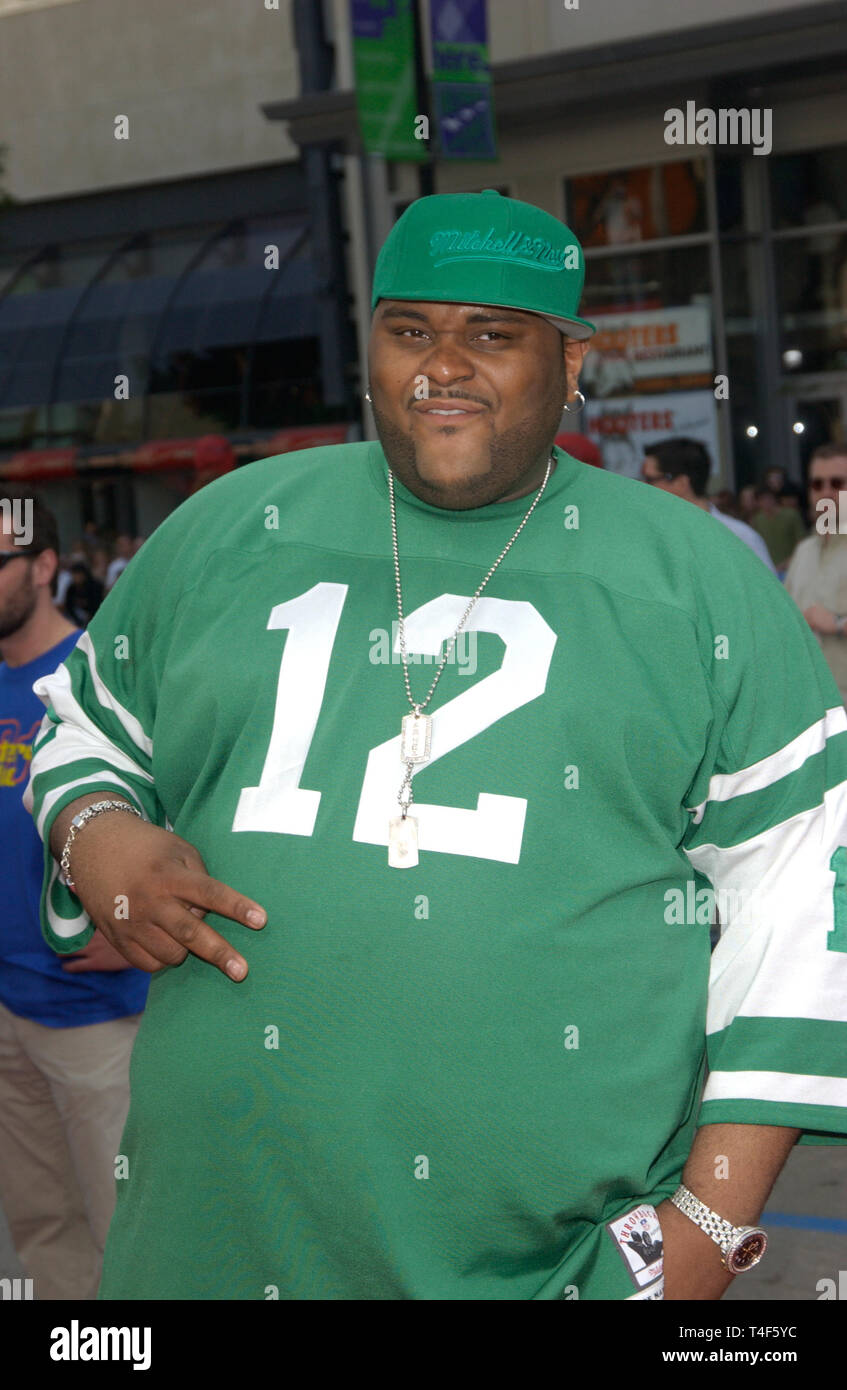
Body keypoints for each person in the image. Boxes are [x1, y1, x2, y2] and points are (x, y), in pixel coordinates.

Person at [24, 190, 847, 1302]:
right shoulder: (231, 525)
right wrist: (94, 833)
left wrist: (699, 1231)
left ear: (568, 363)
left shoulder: (693, 577)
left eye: (492, 335)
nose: (440, 366)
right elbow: (84, 723)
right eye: (409, 327)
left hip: (539, 1263)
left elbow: (800, 907)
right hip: (202, 1244)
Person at [0, 485, 149, 1300]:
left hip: (97, 1017)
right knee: (42, 1232)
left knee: (129, 1236)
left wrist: (131, 927)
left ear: (45, 565)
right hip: (7, 1010)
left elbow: (189, 814)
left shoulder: (99, 675)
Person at [640, 437, 777, 573]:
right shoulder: (648, 538)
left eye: (650, 479)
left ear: (681, 483)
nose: (641, 486)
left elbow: (769, 593)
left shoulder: (739, 538)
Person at [785, 442, 847, 705]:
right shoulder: (804, 551)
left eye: (837, 483)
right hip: (810, 710)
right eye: (817, 484)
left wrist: (837, 623)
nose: (826, 492)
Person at [751, 483, 807, 576]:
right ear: (757, 502)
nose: (766, 502)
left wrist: (786, 563)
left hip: (791, 568)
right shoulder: (757, 520)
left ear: (775, 499)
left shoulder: (791, 515)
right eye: (762, 499)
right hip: (767, 571)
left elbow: (801, 543)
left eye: (769, 498)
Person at [61, 559, 103, 627]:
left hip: (94, 619)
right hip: (76, 621)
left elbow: (97, 606)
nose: (75, 577)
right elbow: (69, 607)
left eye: (78, 574)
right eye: (74, 574)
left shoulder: (94, 587)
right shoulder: (71, 589)